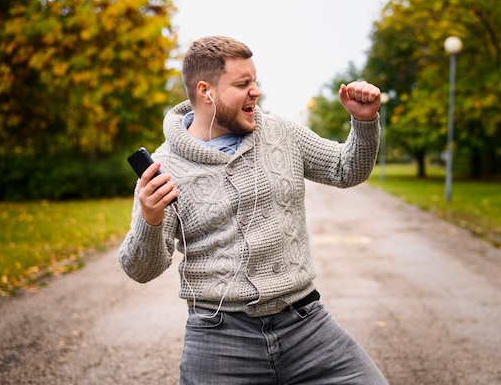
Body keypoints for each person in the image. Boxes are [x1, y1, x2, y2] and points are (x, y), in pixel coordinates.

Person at [118, 36, 389, 384]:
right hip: (219, 339)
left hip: (306, 325)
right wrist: (149, 220)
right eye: (242, 84)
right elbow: (141, 269)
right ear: (206, 92)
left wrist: (364, 123)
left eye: (255, 80)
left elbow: (345, 169)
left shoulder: (280, 133)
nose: (256, 91)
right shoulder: (164, 167)